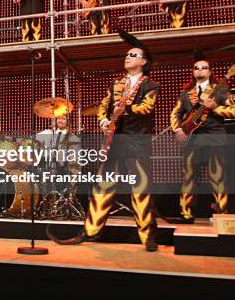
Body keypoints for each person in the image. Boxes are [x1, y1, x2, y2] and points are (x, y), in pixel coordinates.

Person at [49, 30, 160, 251]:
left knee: (140, 189)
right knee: (102, 187)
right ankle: (90, 232)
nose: (128, 57)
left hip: (137, 143)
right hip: (115, 143)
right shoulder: (116, 84)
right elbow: (103, 106)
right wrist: (102, 121)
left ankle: (148, 237)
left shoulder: (151, 86)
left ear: (144, 61)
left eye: (133, 55)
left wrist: (124, 109)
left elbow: (146, 108)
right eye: (127, 54)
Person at [169, 50, 234, 223]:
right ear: (193, 71)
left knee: (217, 177)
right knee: (188, 176)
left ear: (210, 72)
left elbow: (233, 111)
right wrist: (178, 130)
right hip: (193, 139)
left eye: (204, 68)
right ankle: (186, 214)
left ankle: (221, 214)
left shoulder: (221, 90)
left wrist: (215, 108)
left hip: (215, 138)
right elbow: (175, 113)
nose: (200, 71)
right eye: (196, 68)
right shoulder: (186, 92)